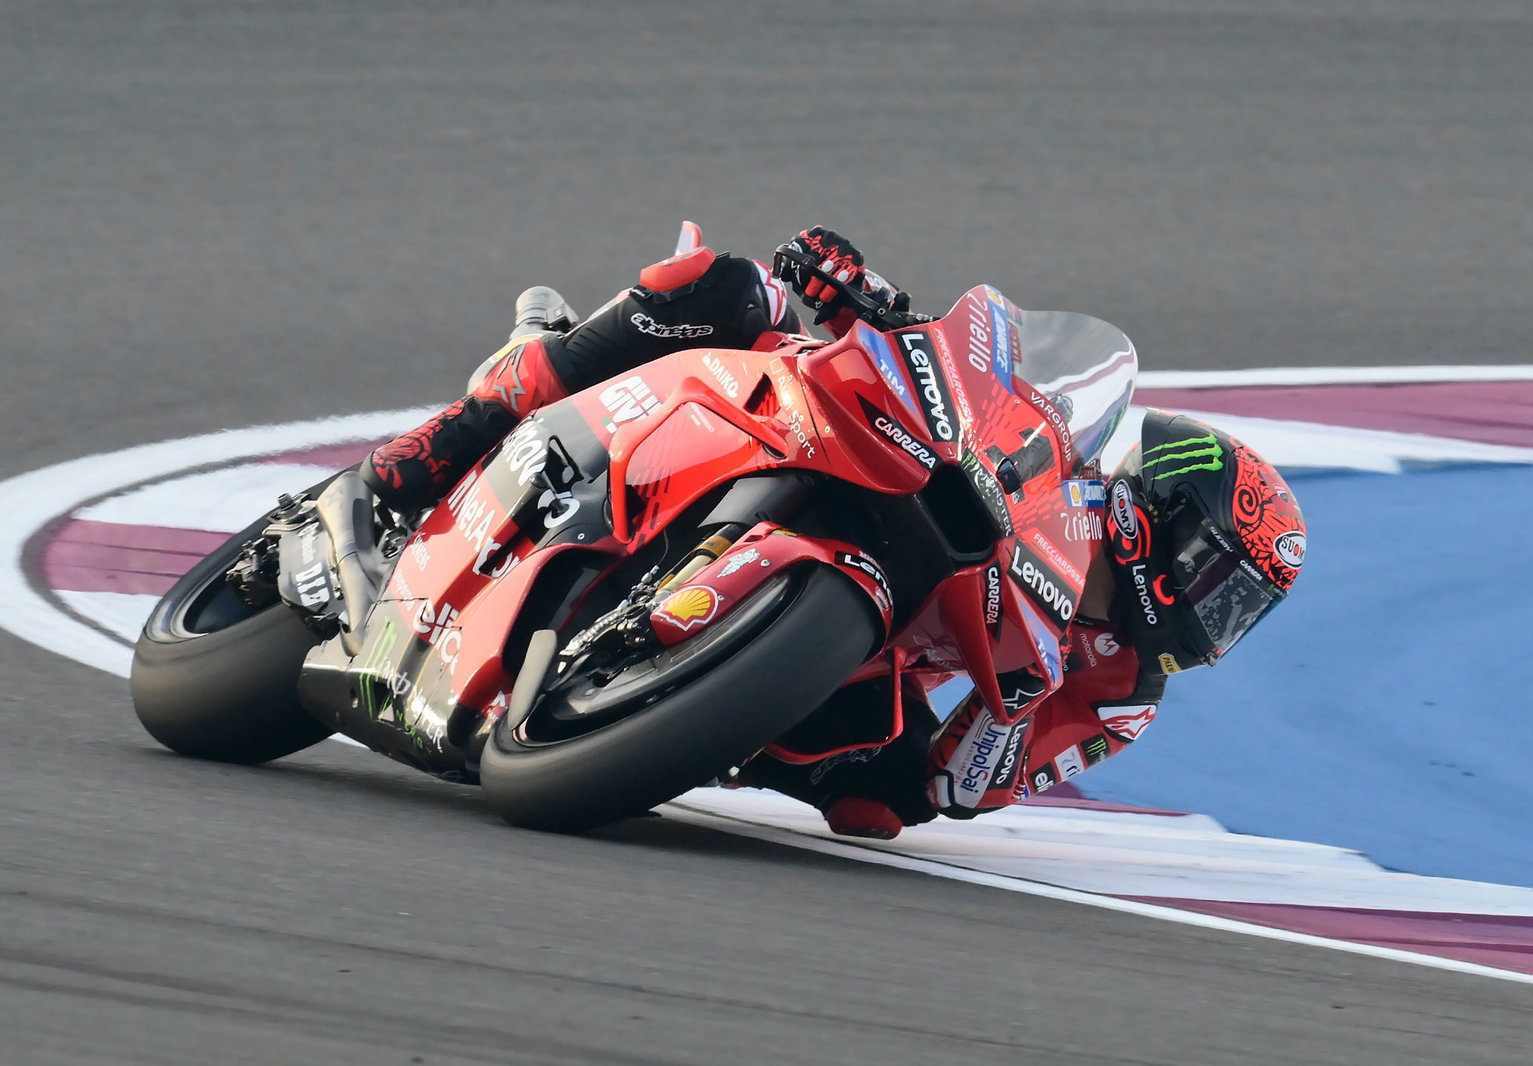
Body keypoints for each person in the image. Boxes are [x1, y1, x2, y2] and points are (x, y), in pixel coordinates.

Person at [359, 228, 1307, 839]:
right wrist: (861, 293)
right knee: (726, 287)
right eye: (1223, 584)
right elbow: (973, 373)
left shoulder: (1121, 695)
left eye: (1244, 611)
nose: (1221, 622)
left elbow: (963, 783)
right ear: (1165, 525)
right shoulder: (1063, 465)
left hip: (870, 644)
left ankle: (665, 702)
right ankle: (461, 428)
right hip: (801, 424)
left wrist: (952, 755)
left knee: (875, 805)